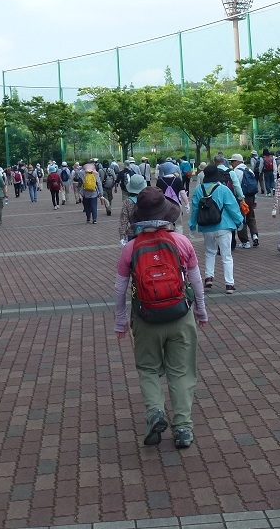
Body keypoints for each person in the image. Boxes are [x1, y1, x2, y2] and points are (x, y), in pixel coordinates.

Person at [114, 187, 208, 449]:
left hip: (146, 317)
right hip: (180, 314)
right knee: (182, 371)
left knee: (148, 369)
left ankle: (155, 411)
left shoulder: (131, 248)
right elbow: (196, 281)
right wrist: (201, 310)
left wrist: (120, 321)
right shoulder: (182, 242)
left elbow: (120, 289)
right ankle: (183, 428)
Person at [188, 165, 244, 294]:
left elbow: (195, 209)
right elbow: (232, 207)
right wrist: (239, 221)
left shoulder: (198, 189)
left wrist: (192, 225)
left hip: (206, 226)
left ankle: (209, 278)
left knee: (210, 252)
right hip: (223, 226)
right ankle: (229, 284)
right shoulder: (223, 189)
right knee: (226, 256)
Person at [230, 153, 259, 247]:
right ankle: (255, 236)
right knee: (251, 217)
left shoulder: (235, 172)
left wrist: (238, 198)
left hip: (241, 198)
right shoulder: (249, 170)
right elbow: (254, 186)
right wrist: (255, 199)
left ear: (237, 161)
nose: (232, 163)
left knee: (241, 219)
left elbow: (236, 187)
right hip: (251, 197)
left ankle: (245, 241)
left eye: (232, 161)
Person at [118, 173, 147, 244]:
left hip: (132, 232)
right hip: (146, 231)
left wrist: (122, 235)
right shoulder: (148, 199)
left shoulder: (128, 202)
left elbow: (124, 219)